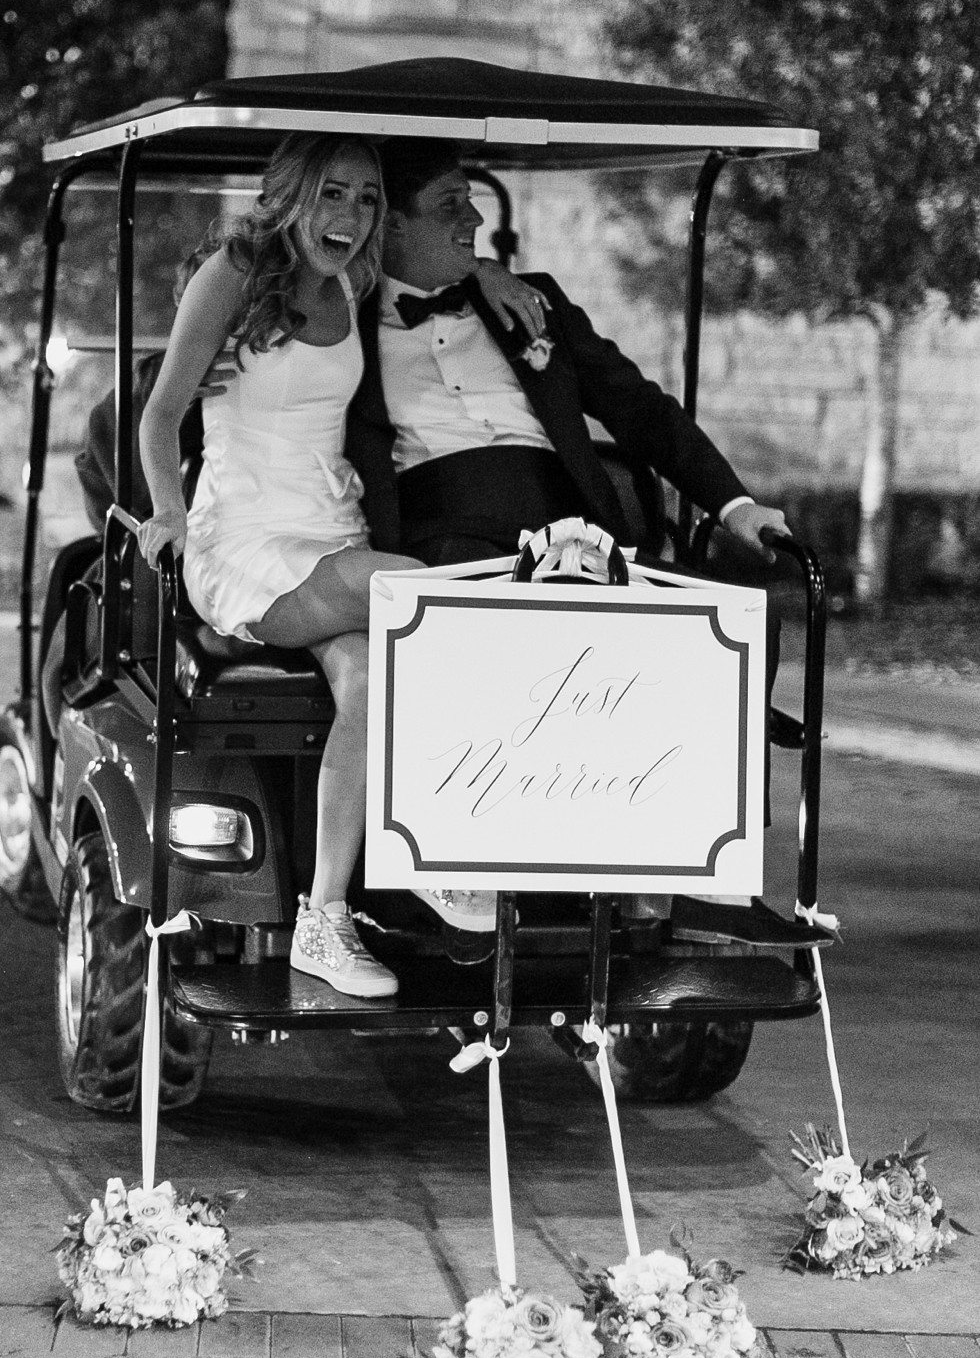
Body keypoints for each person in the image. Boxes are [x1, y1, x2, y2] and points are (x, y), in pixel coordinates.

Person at [136, 136, 427, 999]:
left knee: (374, 680)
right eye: (332, 194)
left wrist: (492, 278)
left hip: (331, 528)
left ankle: (324, 920)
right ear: (292, 194)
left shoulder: (353, 281)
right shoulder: (232, 272)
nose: (349, 216)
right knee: (421, 598)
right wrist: (168, 513)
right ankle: (445, 848)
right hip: (246, 543)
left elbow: (443, 269)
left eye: (367, 199)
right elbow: (159, 418)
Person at [345, 139, 792, 569]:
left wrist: (735, 506)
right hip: (438, 544)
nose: (476, 219)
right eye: (450, 205)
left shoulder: (530, 301)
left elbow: (638, 408)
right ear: (392, 223)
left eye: (471, 199)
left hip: (570, 536)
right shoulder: (344, 324)